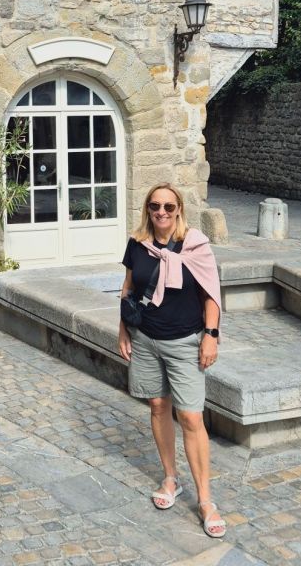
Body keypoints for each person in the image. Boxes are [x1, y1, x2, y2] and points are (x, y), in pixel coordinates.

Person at [118, 182, 225, 539]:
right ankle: (170, 478)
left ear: (179, 209)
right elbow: (128, 289)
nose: (161, 212)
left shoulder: (195, 245)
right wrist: (123, 330)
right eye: (155, 206)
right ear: (147, 210)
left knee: (191, 417)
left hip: (185, 342)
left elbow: (211, 295)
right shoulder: (137, 245)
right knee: (158, 406)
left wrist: (210, 336)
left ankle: (206, 500)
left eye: (168, 206)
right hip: (146, 339)